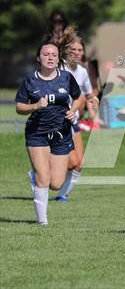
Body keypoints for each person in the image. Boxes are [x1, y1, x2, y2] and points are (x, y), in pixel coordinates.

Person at [15, 41, 81, 225]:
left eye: (54, 54)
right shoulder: (30, 80)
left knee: (56, 184)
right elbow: (19, 107)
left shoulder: (66, 77)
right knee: (43, 177)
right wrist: (35, 105)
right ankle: (42, 222)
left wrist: (73, 110)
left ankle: (35, 174)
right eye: (46, 54)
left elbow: (77, 96)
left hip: (62, 132)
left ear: (58, 58)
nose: (50, 57)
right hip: (37, 133)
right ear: (39, 58)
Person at [54, 26, 99, 202]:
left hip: (75, 122)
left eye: (80, 50)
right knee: (71, 162)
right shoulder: (59, 69)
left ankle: (62, 195)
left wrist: (95, 112)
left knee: (79, 164)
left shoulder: (82, 72)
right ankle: (37, 174)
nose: (76, 52)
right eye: (72, 49)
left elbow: (89, 96)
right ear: (65, 50)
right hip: (58, 121)